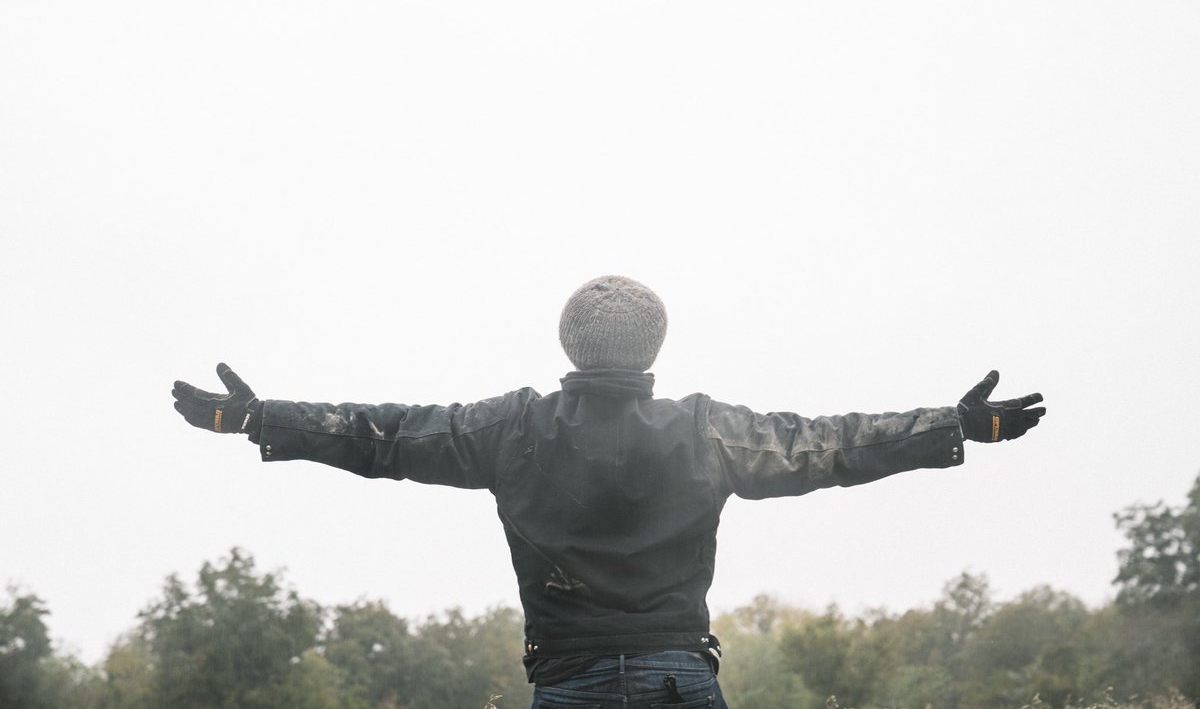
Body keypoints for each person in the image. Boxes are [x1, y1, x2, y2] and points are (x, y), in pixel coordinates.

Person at [172, 275, 1045, 709]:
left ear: (572, 346)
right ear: (651, 350)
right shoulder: (707, 431)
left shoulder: (511, 428)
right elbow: (829, 445)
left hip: (571, 681)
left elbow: (383, 434)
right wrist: (954, 427)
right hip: (678, 678)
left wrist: (259, 419)